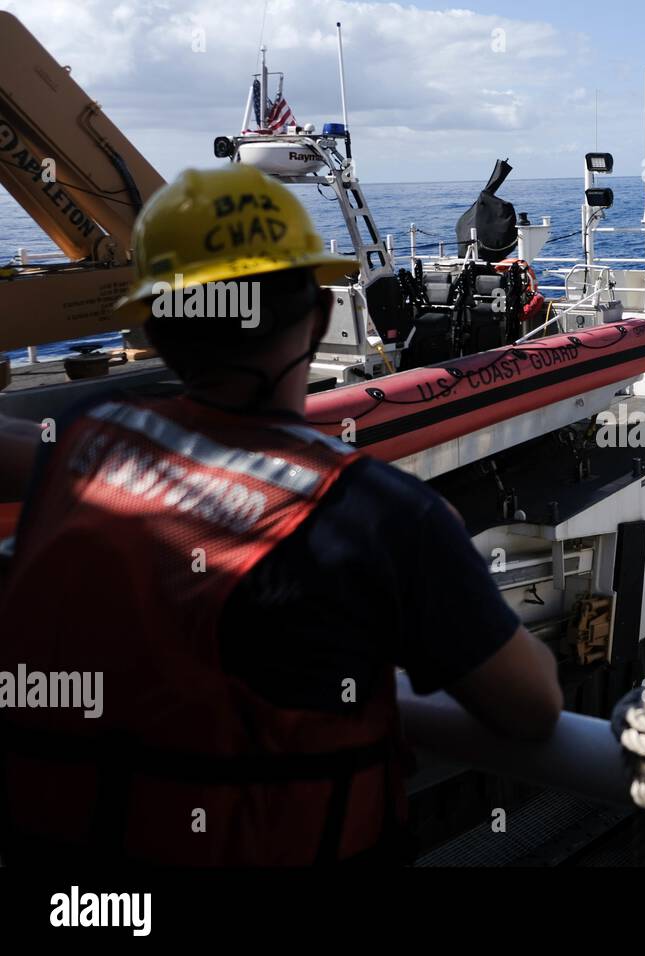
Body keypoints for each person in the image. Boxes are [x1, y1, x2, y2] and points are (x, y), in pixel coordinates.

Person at [0, 166, 562, 866]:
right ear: (319, 319)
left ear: (152, 325)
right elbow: (530, 706)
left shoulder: (83, 440)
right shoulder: (381, 515)